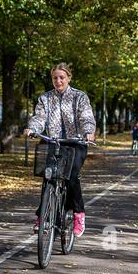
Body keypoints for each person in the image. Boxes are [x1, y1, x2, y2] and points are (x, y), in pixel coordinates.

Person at [25, 62, 96, 237]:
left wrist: (88, 131)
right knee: (48, 175)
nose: (58, 81)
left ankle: (79, 214)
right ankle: (44, 217)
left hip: (77, 142)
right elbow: (40, 118)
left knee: (71, 175)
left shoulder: (79, 97)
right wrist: (33, 128)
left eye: (61, 77)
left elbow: (86, 116)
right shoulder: (45, 98)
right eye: (55, 78)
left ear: (68, 78)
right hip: (55, 143)